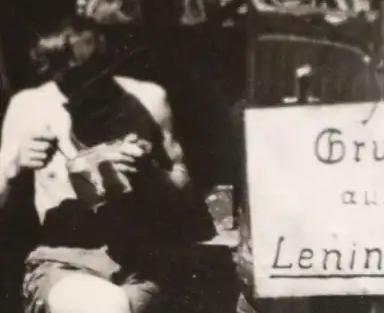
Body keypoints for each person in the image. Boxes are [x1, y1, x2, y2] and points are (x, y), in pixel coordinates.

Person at [0, 16, 238, 313]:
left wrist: (150, 173)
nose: (83, 87)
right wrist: (12, 167)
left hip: (143, 265)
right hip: (65, 262)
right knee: (105, 306)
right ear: (49, 67)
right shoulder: (30, 107)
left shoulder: (148, 100)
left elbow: (186, 191)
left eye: (93, 71)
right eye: (71, 76)